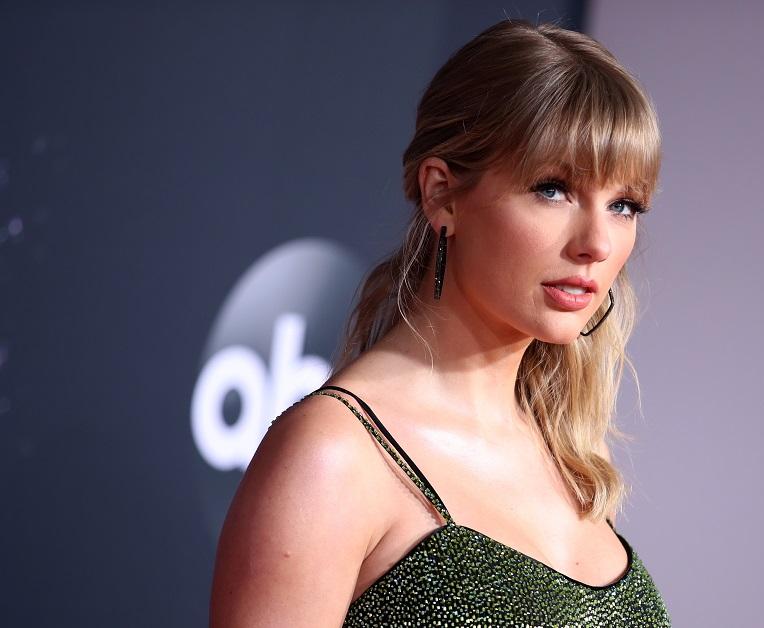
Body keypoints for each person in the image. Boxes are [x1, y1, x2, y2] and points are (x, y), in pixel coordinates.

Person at [209, 18, 670, 627]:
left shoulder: (562, 448)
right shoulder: (334, 456)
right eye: (553, 189)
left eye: (623, 205)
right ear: (442, 195)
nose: (597, 243)